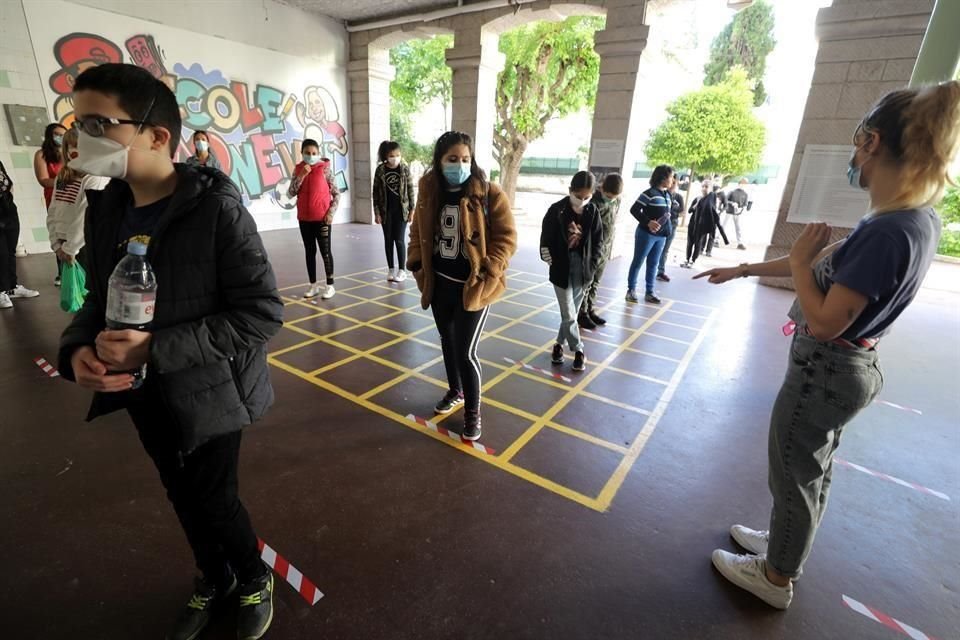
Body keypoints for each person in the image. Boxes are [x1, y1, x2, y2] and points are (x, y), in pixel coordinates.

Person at [695, 82, 959, 610]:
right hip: (848, 368)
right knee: (810, 470)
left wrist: (796, 263)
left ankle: (774, 578)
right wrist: (744, 268)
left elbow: (823, 323)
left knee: (792, 472)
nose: (854, 156)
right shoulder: (912, 217)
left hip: (826, 368)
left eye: (858, 141)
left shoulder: (888, 231)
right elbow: (819, 262)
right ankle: (784, 547)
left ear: (872, 141)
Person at [57, 63, 283, 640]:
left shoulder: (215, 210)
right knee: (178, 490)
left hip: (210, 390)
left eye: (97, 124)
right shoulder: (107, 208)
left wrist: (154, 349)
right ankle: (214, 576)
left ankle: (253, 575)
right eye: (77, 123)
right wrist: (77, 347)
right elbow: (101, 295)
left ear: (157, 136)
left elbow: (261, 313)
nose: (81, 138)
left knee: (215, 497)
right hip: (142, 390)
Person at [407, 131, 517, 441]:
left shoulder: (488, 193)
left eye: (465, 159)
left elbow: (507, 237)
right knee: (447, 340)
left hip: (475, 287)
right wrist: (416, 262)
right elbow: (417, 230)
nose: (460, 165)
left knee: (466, 351)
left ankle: (472, 411)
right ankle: (455, 391)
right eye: (452, 159)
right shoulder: (430, 190)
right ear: (440, 161)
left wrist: (490, 267)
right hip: (439, 284)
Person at [541, 171, 603, 372]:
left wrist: (593, 265)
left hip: (583, 269)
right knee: (568, 313)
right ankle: (578, 350)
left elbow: (598, 242)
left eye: (587, 197)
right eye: (578, 196)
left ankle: (558, 345)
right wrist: (547, 256)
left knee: (572, 313)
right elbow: (546, 238)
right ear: (570, 191)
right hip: (561, 267)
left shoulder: (593, 211)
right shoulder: (556, 210)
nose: (582, 200)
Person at [46, 127, 109, 269]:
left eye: (81, 145)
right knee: (70, 283)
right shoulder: (62, 176)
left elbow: (86, 216)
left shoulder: (96, 177)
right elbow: (53, 209)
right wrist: (56, 244)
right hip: (63, 241)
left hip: (84, 243)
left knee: (86, 282)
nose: (75, 150)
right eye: (70, 146)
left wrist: (71, 248)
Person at [288, 138, 340, 300]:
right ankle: (313, 285)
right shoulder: (298, 169)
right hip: (304, 219)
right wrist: (301, 175)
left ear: (318, 153)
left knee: (325, 252)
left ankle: (330, 286)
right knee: (309, 252)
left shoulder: (325, 169)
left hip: (322, 219)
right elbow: (291, 192)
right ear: (302, 153)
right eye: (307, 153)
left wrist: (330, 213)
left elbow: (337, 193)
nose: (311, 156)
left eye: (314, 153)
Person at [578, 173, 623, 329]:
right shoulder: (593, 203)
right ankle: (582, 313)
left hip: (605, 247)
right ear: (602, 188)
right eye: (608, 196)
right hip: (592, 248)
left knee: (596, 281)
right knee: (587, 282)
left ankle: (590, 309)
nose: (611, 199)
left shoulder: (617, 201)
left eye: (614, 197)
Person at [625, 164, 674, 305]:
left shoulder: (668, 195)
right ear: (663, 178)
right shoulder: (648, 193)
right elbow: (634, 210)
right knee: (638, 261)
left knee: (653, 264)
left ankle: (650, 292)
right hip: (646, 235)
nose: (673, 180)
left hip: (661, 236)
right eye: (671, 177)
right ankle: (631, 290)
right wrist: (648, 222)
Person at [372, 140, 415, 282]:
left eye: (397, 155)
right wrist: (377, 212)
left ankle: (402, 270)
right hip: (386, 212)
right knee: (388, 240)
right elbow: (375, 193)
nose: (395, 158)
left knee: (399, 240)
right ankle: (391, 269)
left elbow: (410, 190)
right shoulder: (380, 170)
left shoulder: (404, 169)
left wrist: (412, 210)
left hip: (401, 211)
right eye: (391, 155)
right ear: (386, 156)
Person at [0, 160, 40, 309]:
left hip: (8, 210)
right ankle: (1, 291)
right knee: (1, 253)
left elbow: (8, 184)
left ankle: (12, 287)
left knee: (10, 250)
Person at [34, 122, 66, 285]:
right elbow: (43, 180)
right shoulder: (41, 154)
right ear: (50, 136)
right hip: (55, 198)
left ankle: (80, 270)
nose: (61, 138)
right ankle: (62, 273)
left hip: (75, 197)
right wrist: (65, 182)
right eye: (57, 134)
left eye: (63, 135)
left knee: (76, 233)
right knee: (59, 233)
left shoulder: (70, 151)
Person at [681, 180, 728, 268]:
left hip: (702, 226)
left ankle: (693, 260)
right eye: (703, 186)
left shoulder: (712, 200)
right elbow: (690, 210)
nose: (704, 188)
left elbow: (713, 212)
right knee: (690, 243)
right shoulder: (697, 198)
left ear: (710, 189)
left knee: (698, 243)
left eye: (706, 187)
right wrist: (696, 205)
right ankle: (687, 259)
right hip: (693, 224)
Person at [657, 175, 684, 282]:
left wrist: (674, 214)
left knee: (665, 249)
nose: (672, 184)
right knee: (657, 248)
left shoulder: (679, 197)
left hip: (672, 224)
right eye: (671, 182)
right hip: (661, 224)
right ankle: (653, 269)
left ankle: (660, 271)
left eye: (674, 182)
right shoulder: (663, 194)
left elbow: (682, 212)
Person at [723, 178, 751, 250]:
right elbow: (725, 199)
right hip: (729, 211)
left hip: (737, 213)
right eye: (742, 183)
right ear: (739, 183)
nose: (743, 185)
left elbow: (745, 204)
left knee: (738, 228)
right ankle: (716, 239)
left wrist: (740, 209)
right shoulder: (732, 192)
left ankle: (740, 243)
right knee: (723, 225)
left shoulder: (745, 194)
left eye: (745, 184)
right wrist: (732, 203)